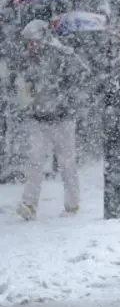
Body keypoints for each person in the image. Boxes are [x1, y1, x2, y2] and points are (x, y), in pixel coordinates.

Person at [14, 19, 90, 221]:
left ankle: (72, 204)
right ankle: (29, 204)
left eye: (34, 41)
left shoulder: (63, 54)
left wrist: (63, 93)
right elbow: (23, 82)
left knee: (67, 163)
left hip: (62, 118)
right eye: (28, 42)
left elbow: (82, 75)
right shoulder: (28, 59)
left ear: (44, 38)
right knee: (35, 161)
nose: (31, 46)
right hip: (39, 118)